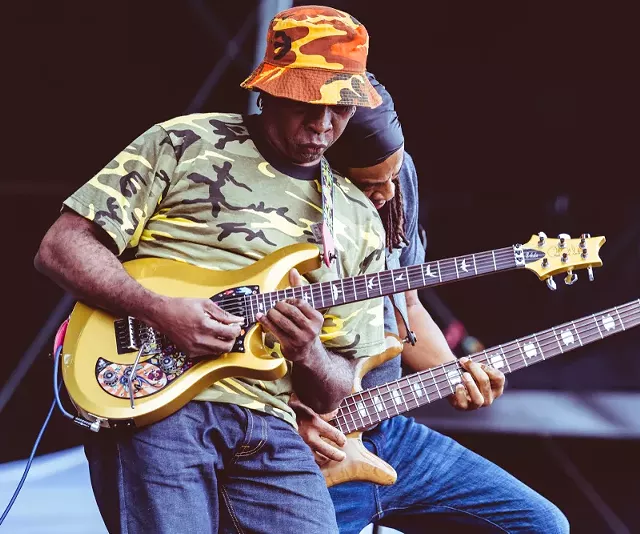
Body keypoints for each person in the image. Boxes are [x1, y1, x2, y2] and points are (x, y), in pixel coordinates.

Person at [34, 6, 387, 534]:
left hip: (273, 426)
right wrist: (159, 309)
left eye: (340, 107)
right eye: (305, 102)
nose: (322, 123)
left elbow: (338, 389)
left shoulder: (356, 217)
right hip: (157, 396)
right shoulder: (185, 142)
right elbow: (61, 247)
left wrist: (307, 349)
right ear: (268, 90)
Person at [291, 73, 571, 533]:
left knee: (543, 526)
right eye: (369, 186)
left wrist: (456, 375)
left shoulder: (399, 178)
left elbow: (407, 308)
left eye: (393, 176)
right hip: (311, 448)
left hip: (389, 429)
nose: (387, 193)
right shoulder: (286, 203)